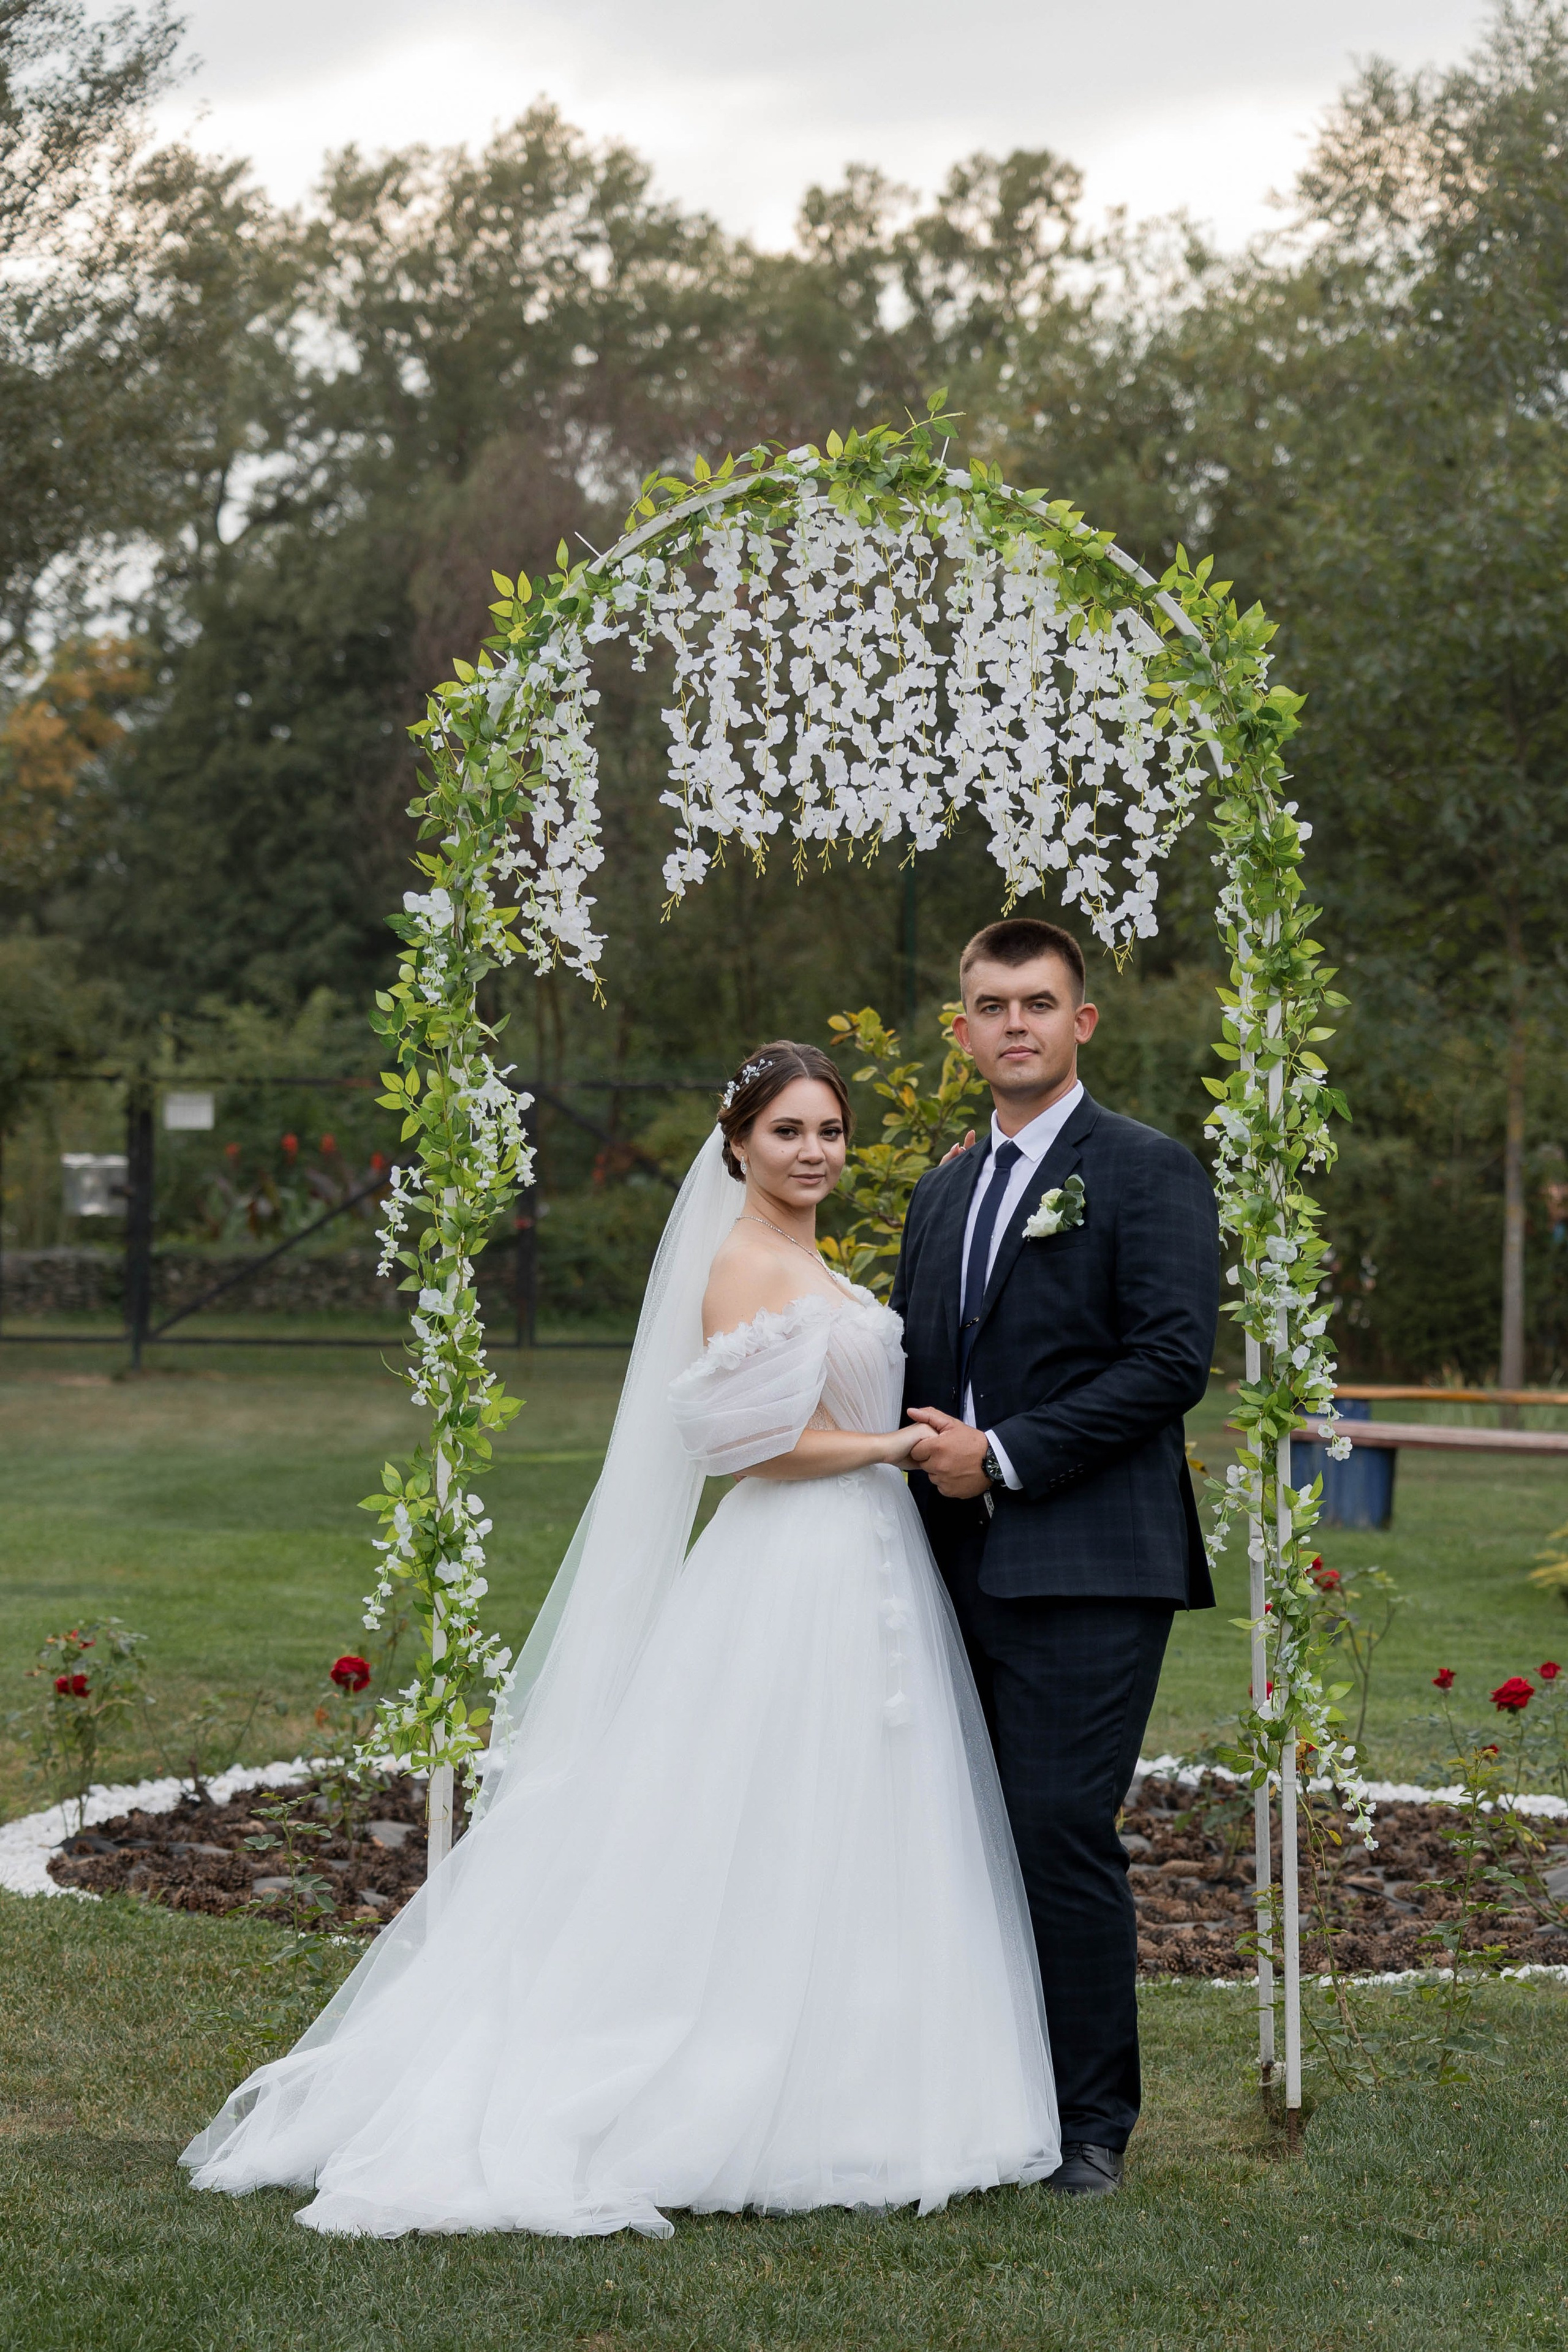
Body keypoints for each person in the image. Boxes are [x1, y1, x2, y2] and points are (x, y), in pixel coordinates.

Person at [182, 1042, 1059, 2237]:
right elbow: (751, 1450)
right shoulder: (743, 1264)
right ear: (737, 1144)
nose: (812, 1153)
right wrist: (895, 1449)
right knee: (761, 1818)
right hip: (789, 1563)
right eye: (788, 1132)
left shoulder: (810, 1255)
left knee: (853, 1816)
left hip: (863, 1567)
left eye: (829, 1134)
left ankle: (861, 2084)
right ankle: (734, 2079)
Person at [894, 918, 1219, 2195]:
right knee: (953, 1833)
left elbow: (1167, 1361)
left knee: (1055, 1829)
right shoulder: (939, 1189)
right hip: (941, 1564)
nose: (1012, 1022)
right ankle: (982, 2096)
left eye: (1036, 1001)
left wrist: (1007, 1454)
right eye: (989, 1003)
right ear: (962, 1029)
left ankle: (1089, 2127)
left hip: (1086, 1557)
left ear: (1080, 1022)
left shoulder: (1142, 1170)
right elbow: (920, 1364)